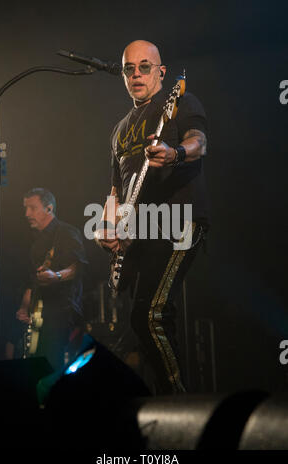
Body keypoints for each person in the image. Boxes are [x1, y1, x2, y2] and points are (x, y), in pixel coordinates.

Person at [96, 40, 209, 394]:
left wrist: (174, 153)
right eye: (129, 68)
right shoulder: (118, 130)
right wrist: (106, 226)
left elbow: (199, 142)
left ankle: (180, 404)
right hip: (141, 232)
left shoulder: (178, 103)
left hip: (179, 221)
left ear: (161, 72)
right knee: (142, 323)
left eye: (145, 67)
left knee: (150, 315)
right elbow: (116, 190)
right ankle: (163, 406)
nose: (136, 74)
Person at [16, 188, 88, 370]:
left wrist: (55, 276)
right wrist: (25, 307)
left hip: (62, 310)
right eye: (26, 209)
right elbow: (32, 281)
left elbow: (78, 266)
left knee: (53, 362)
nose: (27, 214)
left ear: (49, 209)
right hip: (41, 313)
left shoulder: (66, 232)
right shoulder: (35, 242)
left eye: (32, 208)